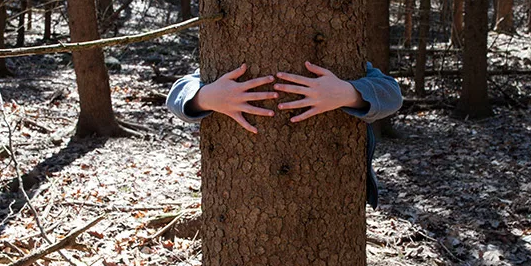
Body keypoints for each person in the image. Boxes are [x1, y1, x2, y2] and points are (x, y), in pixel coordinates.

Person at [167, 61, 403, 207]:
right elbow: (177, 93)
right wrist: (205, 97)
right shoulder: (223, 60)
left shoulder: (350, 60)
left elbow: (392, 94)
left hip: (335, 194)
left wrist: (348, 93)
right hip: (241, 197)